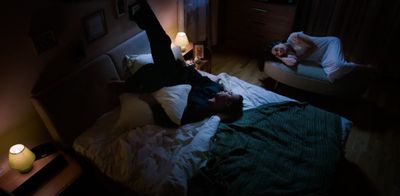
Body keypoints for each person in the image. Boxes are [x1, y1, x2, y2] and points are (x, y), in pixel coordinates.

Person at [113, 0, 243, 127]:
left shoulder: (200, 109)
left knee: (155, 64)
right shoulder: (215, 89)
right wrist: (184, 67)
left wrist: (153, 103)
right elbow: (198, 76)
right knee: (163, 45)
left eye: (230, 94)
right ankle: (142, 10)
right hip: (177, 72)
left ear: (227, 103)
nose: (228, 91)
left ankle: (141, 12)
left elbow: (171, 120)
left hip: (172, 83)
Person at [265, 31, 371, 82]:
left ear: (279, 42)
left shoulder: (293, 37)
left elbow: (313, 47)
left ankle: (365, 68)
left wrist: (301, 58)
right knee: (331, 74)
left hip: (329, 45)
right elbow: (292, 62)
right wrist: (280, 58)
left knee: (338, 66)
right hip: (321, 58)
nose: (279, 52)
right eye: (277, 54)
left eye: (276, 49)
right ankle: (351, 66)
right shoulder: (290, 54)